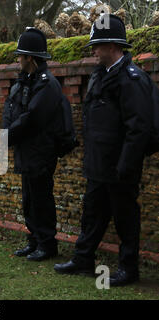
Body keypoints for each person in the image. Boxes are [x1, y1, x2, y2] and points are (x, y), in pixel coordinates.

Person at [54, 14, 153, 286]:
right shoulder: (100, 75)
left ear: (112, 46)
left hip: (120, 166)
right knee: (92, 214)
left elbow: (139, 129)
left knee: (125, 218)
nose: (93, 51)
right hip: (98, 163)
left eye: (97, 46)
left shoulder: (131, 80)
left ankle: (128, 268)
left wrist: (126, 164)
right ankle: (83, 258)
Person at [2, 28, 65, 261]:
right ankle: (34, 240)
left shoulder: (47, 85)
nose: (17, 59)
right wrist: (6, 132)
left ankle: (47, 244)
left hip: (41, 150)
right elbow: (10, 107)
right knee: (29, 199)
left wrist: (8, 135)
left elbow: (32, 117)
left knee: (41, 199)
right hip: (26, 149)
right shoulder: (25, 81)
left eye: (20, 55)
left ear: (29, 57)